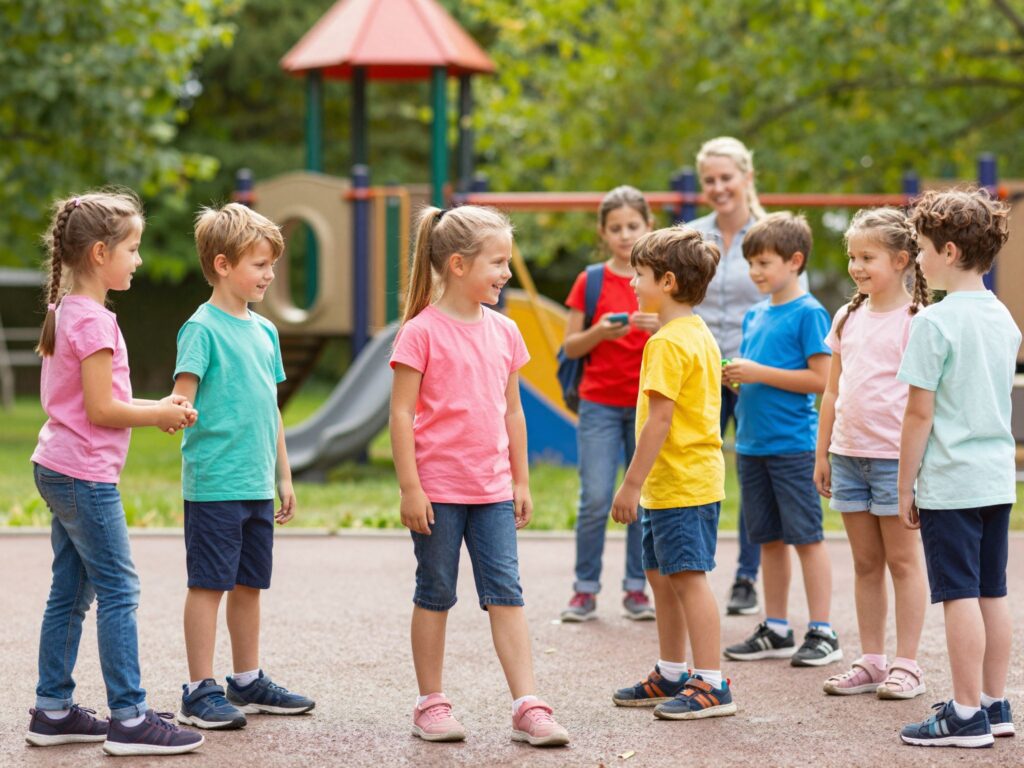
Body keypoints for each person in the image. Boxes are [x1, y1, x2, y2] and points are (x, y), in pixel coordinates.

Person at [26, 191, 203, 756]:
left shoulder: (64, 311)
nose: (139, 260)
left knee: (70, 592)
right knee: (119, 589)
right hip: (83, 475)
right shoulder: (95, 323)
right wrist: (159, 413)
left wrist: (157, 407)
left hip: (56, 465)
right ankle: (129, 718)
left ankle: (52, 709)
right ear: (100, 253)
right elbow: (102, 411)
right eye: (132, 248)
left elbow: (89, 403)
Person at [389, 205, 570, 747]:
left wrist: (521, 480)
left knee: (507, 594)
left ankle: (528, 704)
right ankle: (431, 703)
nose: (507, 274)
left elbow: (512, 410)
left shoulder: (507, 332)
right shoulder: (420, 332)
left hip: (492, 491)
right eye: (499, 263)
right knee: (436, 592)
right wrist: (410, 487)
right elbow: (400, 414)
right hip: (437, 493)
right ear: (460, 265)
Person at [172, 203, 314, 730]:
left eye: (271, 264)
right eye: (259, 264)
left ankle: (247, 679)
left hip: (255, 483)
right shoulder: (200, 329)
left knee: (250, 584)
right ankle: (198, 689)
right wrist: (175, 415)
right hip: (213, 484)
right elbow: (181, 400)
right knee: (209, 584)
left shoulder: (266, 332)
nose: (270, 274)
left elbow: (269, 408)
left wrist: (283, 474)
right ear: (224, 263)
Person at [897, 188, 1019, 748]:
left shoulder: (934, 323)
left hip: (949, 481)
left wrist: (905, 485)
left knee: (959, 596)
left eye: (920, 249)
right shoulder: (1004, 317)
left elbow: (919, 413)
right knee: (992, 592)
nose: (918, 259)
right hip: (996, 478)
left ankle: (965, 713)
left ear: (947, 250)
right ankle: (994, 704)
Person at [609, 225, 737, 720]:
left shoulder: (666, 343)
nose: (631, 282)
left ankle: (710, 682)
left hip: (681, 481)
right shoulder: (697, 331)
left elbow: (659, 419)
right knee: (661, 576)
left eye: (638, 274)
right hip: (677, 482)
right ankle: (670, 671)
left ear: (665, 281)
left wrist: (630, 484)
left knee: (687, 578)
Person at [814, 208, 930, 698]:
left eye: (868, 257)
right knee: (865, 563)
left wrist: (914, 469)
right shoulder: (847, 316)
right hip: (847, 456)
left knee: (903, 563)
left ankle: (907, 665)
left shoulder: (917, 321)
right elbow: (831, 392)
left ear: (901, 260)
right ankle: (872, 661)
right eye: (853, 257)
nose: (857, 266)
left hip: (893, 461)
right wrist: (823, 453)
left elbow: (926, 404)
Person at [721, 212, 842, 667]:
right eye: (750, 262)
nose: (755, 271)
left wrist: (756, 373)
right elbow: (765, 376)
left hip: (793, 445)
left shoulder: (810, 312)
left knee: (807, 538)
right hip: (751, 446)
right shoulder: (755, 313)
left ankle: (823, 630)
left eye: (764, 262)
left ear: (795, 261)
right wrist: (739, 379)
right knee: (768, 539)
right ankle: (776, 627)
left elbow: (821, 378)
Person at [690, 137, 803, 616]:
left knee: (752, 473)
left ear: (747, 177)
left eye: (726, 178)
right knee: (697, 472)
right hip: (701, 373)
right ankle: (695, 569)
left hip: (754, 373)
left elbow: (795, 302)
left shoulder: (772, 234)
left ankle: (745, 577)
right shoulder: (693, 235)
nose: (718, 187)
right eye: (709, 180)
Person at [560, 185, 659, 622]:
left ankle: (637, 588)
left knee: (639, 496)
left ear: (648, 226)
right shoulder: (591, 280)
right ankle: (585, 589)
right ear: (603, 232)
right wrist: (600, 330)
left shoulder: (659, 278)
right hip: (598, 403)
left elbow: (686, 330)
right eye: (615, 227)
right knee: (596, 497)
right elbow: (572, 347)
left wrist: (659, 323)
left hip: (646, 404)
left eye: (632, 226)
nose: (624, 234)